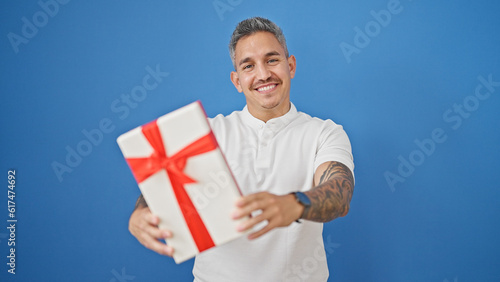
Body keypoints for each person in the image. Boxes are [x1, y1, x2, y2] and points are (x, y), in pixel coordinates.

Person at [128, 17, 354, 281]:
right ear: (237, 80)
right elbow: (159, 187)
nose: (263, 74)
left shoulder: (325, 133)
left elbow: (339, 192)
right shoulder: (206, 133)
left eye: (272, 60)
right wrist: (140, 213)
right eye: (249, 66)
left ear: (290, 65)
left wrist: (295, 204)